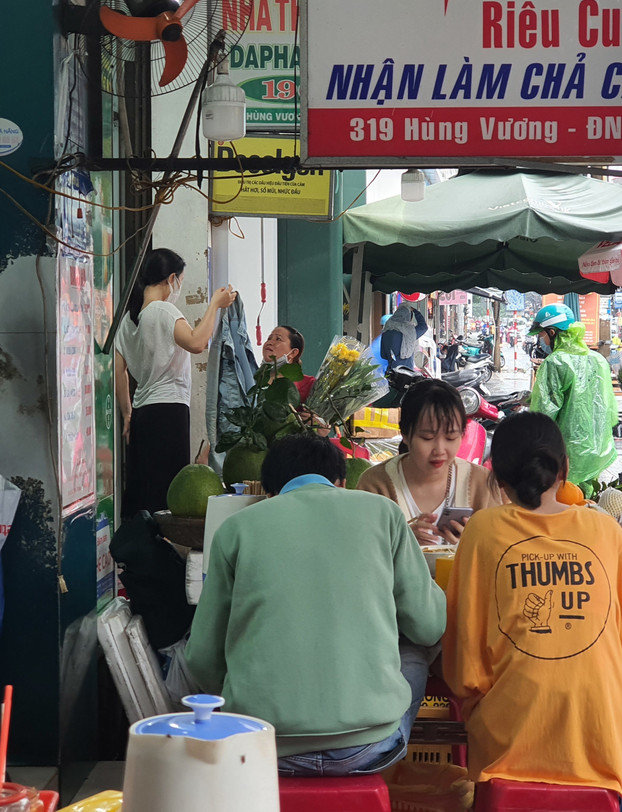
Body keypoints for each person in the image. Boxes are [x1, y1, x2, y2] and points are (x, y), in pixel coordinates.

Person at [173, 434, 446, 775]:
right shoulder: (385, 514)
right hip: (368, 749)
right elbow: (429, 626)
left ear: (269, 491)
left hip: (258, 746)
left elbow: (201, 657)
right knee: (415, 652)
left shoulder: (235, 529)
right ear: (341, 483)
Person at [441, 412, 622, 807]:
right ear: (564, 468)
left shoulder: (481, 530)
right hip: (604, 736)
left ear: (495, 477)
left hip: (511, 742)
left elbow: (464, 661)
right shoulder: (603, 529)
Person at [114, 248, 237, 518]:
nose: (178, 285)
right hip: (168, 410)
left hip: (143, 413)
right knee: (167, 490)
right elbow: (196, 342)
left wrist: (126, 413)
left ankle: (140, 552)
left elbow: (119, 370)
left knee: (144, 487)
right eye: (179, 279)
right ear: (171, 278)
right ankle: (163, 553)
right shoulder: (163, 311)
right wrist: (215, 304)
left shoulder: (129, 319)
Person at [358, 379, 502, 545]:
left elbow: (500, 551)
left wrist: (473, 543)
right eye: (427, 438)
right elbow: (362, 550)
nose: (439, 450)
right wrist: (400, 541)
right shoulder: (375, 485)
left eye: (450, 437)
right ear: (405, 434)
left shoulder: (482, 483)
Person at [528, 303, 618, 486]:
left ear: (552, 332)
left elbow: (544, 414)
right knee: (588, 504)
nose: (541, 340)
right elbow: (609, 409)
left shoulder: (555, 362)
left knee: (564, 503)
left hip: (567, 453)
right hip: (597, 451)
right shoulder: (598, 360)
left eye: (542, 334)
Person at [262, 324, 316, 403]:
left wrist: (312, 415)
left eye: (278, 339)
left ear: (293, 352)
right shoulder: (253, 381)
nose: (269, 342)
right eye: (269, 338)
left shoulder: (309, 385)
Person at [379, 306, 429, 372]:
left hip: (391, 372)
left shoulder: (385, 332)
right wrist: (415, 311)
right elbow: (423, 327)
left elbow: (383, 355)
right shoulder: (410, 333)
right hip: (406, 373)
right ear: (408, 318)